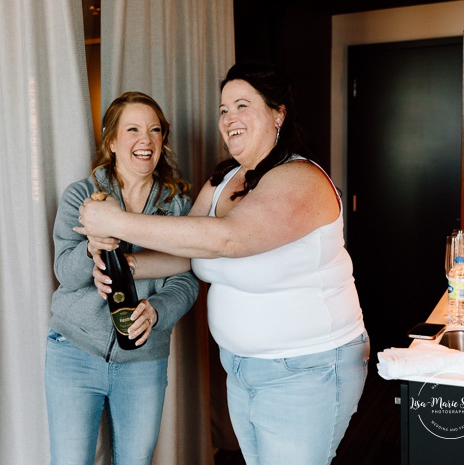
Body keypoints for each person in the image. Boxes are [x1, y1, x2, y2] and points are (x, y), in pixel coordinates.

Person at [76, 62, 370, 465]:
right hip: (241, 367)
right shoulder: (224, 180)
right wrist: (123, 263)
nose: (229, 118)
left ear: (278, 113)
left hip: (306, 369)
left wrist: (116, 221)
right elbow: (189, 249)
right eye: (223, 109)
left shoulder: (301, 178)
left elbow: (229, 238)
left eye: (243, 105)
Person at [45, 91, 199, 465]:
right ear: (112, 141)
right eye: (132, 129)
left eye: (154, 130)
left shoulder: (177, 205)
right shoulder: (82, 196)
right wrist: (89, 251)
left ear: (162, 141)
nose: (145, 140)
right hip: (73, 352)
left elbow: (188, 276)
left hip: (143, 359)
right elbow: (64, 272)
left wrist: (158, 310)